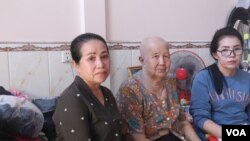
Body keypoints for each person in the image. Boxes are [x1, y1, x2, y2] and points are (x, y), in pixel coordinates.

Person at [116, 36, 201, 141]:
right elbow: (138, 138)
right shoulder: (130, 90)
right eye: (155, 56)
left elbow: (183, 122)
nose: (162, 62)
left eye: (166, 56)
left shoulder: (171, 83)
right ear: (142, 60)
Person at [53, 33, 122, 141]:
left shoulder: (106, 93)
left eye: (104, 56)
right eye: (91, 58)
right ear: (76, 65)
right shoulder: (71, 99)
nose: (100, 64)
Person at [190, 26, 250, 141]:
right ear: (215, 54)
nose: (232, 54)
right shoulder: (203, 78)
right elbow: (200, 118)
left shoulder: (247, 78)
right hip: (215, 133)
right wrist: (231, 135)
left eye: (237, 49)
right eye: (225, 50)